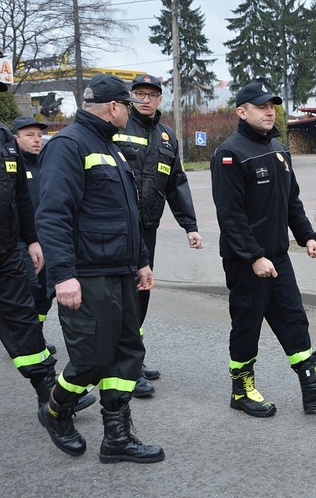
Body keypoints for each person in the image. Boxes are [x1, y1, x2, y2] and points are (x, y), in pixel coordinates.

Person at [35, 74, 164, 463]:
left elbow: (128, 216)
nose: (131, 111)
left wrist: (141, 261)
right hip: (86, 275)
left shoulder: (111, 148)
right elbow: (53, 214)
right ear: (114, 108)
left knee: (127, 353)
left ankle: (117, 437)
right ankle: (56, 410)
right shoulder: (68, 145)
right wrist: (63, 275)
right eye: (128, 105)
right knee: (92, 358)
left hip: (120, 271)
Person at [210, 82, 316, 417]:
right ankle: (241, 390)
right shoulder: (230, 153)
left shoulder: (279, 150)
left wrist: (307, 237)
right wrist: (253, 256)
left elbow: (291, 201)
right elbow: (229, 214)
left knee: (293, 318)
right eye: (261, 106)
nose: (269, 111)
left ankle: (312, 386)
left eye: (272, 106)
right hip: (247, 261)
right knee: (247, 324)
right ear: (241, 112)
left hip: (277, 256)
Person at [0, 84, 95, 413]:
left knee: (24, 320)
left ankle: (47, 393)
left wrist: (33, 239)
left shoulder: (3, 140)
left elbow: (20, 200)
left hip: (8, 251)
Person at [113, 73, 203, 398]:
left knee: (142, 291)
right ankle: (125, 365)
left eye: (152, 94)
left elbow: (176, 183)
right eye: (140, 94)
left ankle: (132, 354)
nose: (146, 99)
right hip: (117, 228)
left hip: (147, 229)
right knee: (124, 293)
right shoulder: (119, 128)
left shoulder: (166, 138)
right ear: (131, 97)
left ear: (160, 99)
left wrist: (190, 226)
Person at [12, 116, 56, 355]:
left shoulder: (48, 165)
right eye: (30, 135)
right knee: (29, 288)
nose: (37, 140)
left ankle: (35, 335)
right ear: (16, 138)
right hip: (21, 242)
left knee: (45, 293)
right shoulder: (12, 167)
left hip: (48, 240)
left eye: (39, 135)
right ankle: (25, 340)